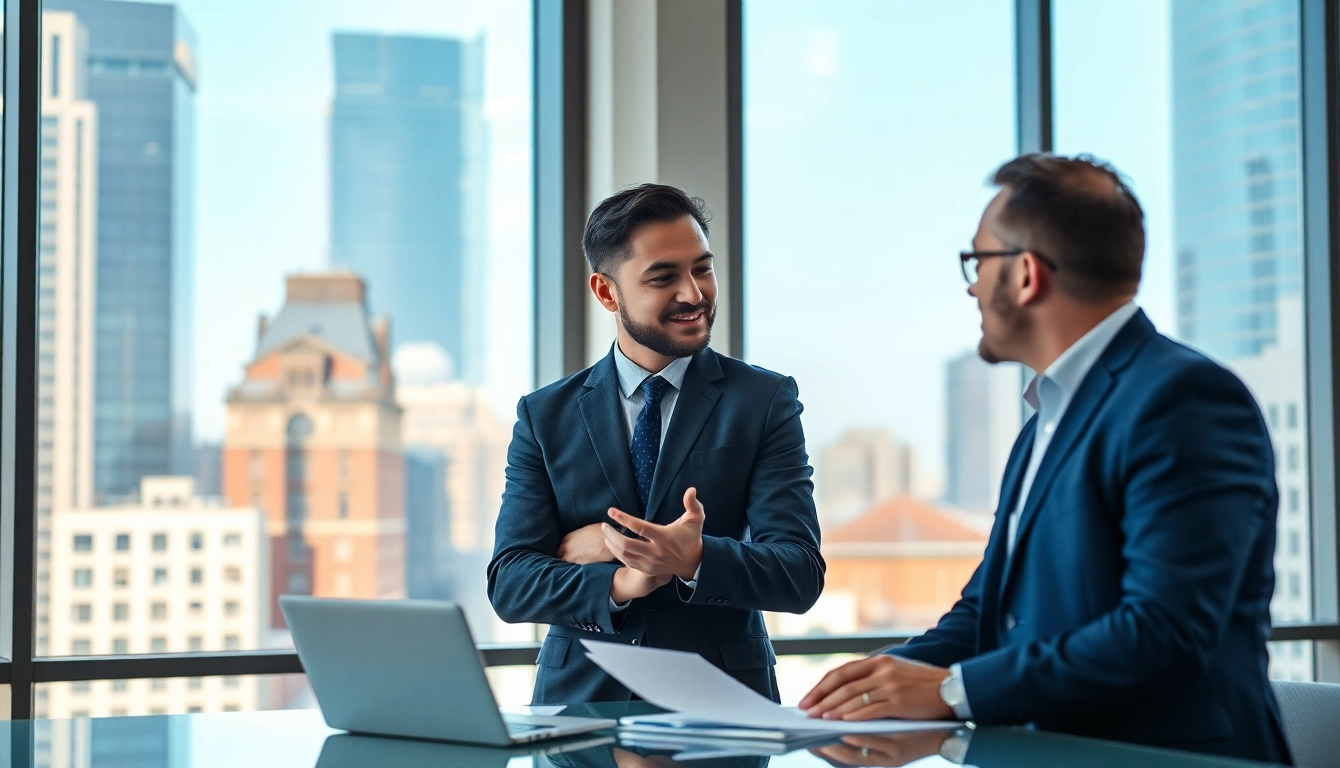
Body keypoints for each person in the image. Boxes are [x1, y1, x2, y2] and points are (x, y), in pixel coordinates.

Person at [799, 154, 1292, 763]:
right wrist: (878, 680)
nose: (971, 285)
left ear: (1026, 274)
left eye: (977, 262)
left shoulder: (1182, 399)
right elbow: (988, 609)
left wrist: (952, 691)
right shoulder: (1043, 424)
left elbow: (1163, 631)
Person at [488, 183, 825, 705]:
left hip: (722, 716)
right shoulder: (544, 414)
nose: (694, 293)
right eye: (664, 277)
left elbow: (798, 572)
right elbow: (511, 583)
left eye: (703, 269)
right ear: (606, 292)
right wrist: (622, 576)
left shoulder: (764, 400)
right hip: (580, 711)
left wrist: (691, 557)